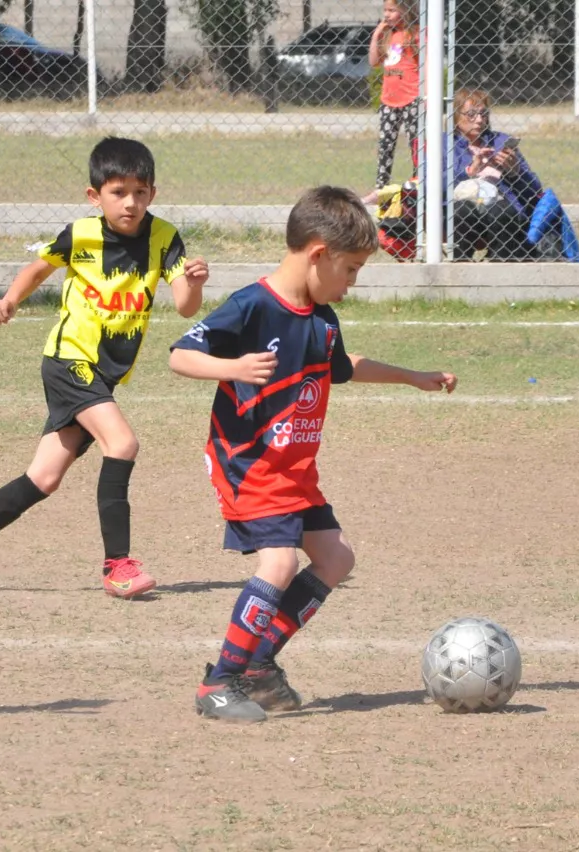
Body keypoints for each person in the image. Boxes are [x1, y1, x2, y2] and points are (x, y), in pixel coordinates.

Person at [168, 186, 458, 723]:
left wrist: (411, 377)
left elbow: (344, 365)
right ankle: (219, 681)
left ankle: (257, 665)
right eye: (350, 270)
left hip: (294, 469)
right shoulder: (252, 306)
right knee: (278, 563)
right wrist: (233, 368)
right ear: (318, 252)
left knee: (336, 559)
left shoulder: (322, 317)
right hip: (250, 463)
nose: (352, 284)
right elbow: (181, 356)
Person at [0, 137, 209, 598]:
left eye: (140, 192)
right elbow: (39, 268)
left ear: (152, 193)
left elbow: (183, 307)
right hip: (69, 361)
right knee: (123, 443)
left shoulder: (164, 238)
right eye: (118, 192)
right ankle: (118, 566)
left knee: (44, 478)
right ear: (95, 196)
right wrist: (9, 300)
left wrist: (193, 284)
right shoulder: (81, 234)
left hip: (103, 372)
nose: (130, 203)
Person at [450, 88, 545, 261]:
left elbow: (535, 190)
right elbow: (431, 184)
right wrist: (470, 171)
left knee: (502, 210)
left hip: (498, 205)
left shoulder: (500, 141)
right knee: (462, 210)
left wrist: (515, 172)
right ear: (456, 116)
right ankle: (459, 262)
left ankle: (501, 263)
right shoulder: (444, 144)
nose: (479, 120)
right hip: (461, 206)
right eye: (471, 114)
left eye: (483, 114)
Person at [368, 0, 420, 199]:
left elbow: (425, 62)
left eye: (392, 10)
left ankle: (418, 182)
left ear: (405, 11)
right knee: (385, 144)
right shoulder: (388, 35)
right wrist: (376, 35)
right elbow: (374, 62)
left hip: (411, 98)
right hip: (389, 100)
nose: (387, 15)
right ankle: (381, 186)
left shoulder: (414, 33)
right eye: (385, 11)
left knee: (415, 143)